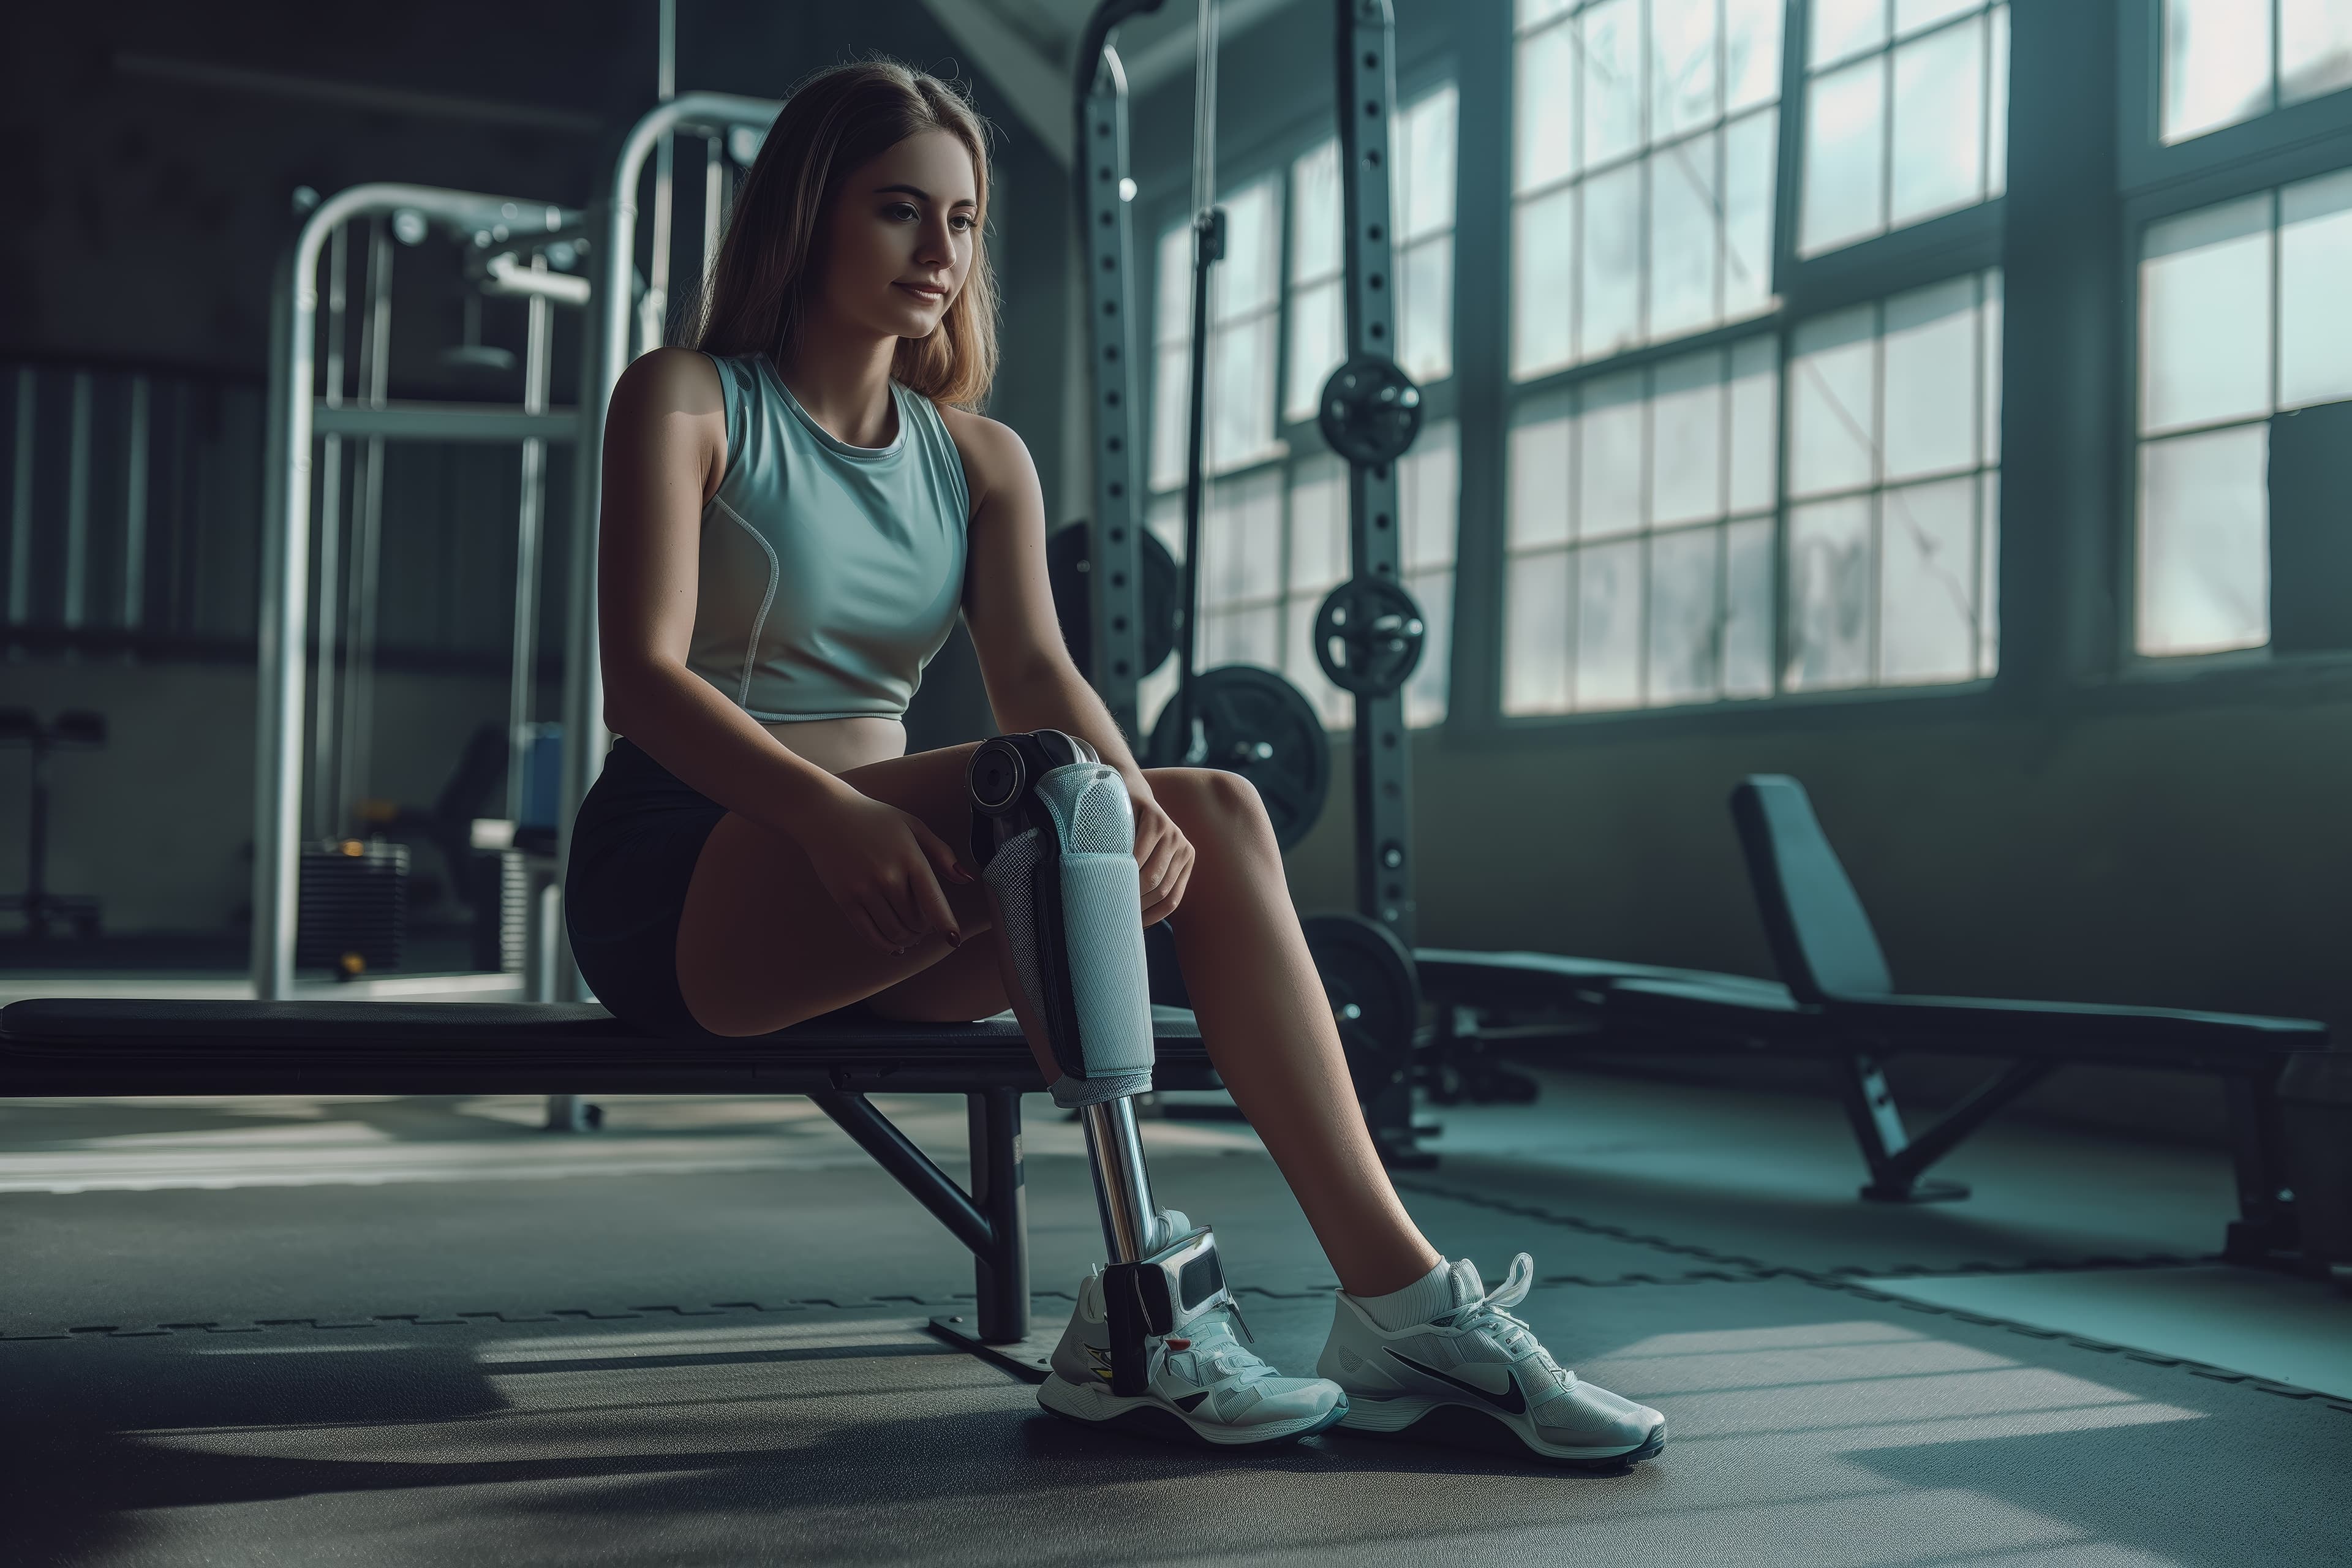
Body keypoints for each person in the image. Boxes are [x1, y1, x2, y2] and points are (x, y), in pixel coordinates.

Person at [564, 58, 1664, 1468]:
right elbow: (643, 683)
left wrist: (1139, 807)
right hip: (693, 877)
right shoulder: (688, 399)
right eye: (902, 211)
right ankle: (1150, 1305)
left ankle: (1398, 1300)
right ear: (808, 217)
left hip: (885, 899)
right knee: (1037, 780)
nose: (940, 254)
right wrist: (831, 813)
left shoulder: (981, 461)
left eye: (962, 224)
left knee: (1216, 802)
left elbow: (1038, 675)